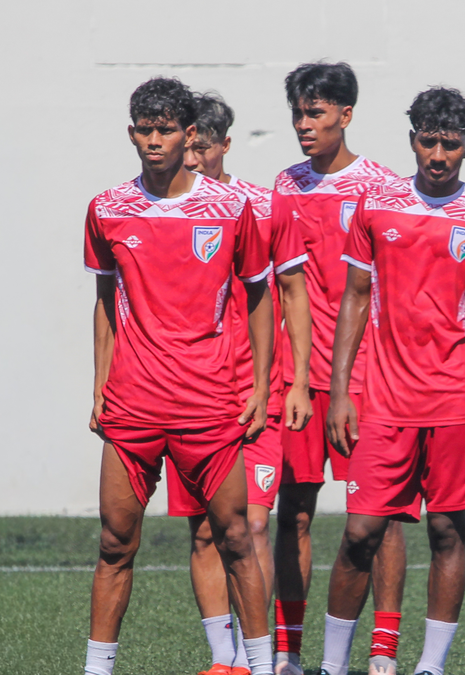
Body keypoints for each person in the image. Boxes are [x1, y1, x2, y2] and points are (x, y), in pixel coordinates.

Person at [81, 77, 287, 675]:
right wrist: (99, 385)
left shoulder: (231, 208)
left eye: (165, 129)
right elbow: (103, 299)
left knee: (237, 540)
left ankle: (258, 664)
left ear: (189, 134)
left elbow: (258, 295)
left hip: (209, 406)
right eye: (143, 130)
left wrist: (259, 385)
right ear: (130, 133)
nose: (153, 140)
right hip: (133, 406)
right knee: (115, 544)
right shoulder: (107, 208)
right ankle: (97, 669)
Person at [321, 86, 465, 675]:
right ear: (412, 140)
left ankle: (430, 667)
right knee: (360, 532)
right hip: (382, 399)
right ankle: (333, 666)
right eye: (428, 141)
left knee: (445, 530)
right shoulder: (377, 206)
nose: (438, 154)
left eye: (450, 144)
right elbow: (355, 299)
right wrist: (339, 393)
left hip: (458, 399)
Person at [161, 91, 314, 675]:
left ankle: (267, 655)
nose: (193, 158)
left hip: (260, 393)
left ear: (222, 143)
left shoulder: (265, 206)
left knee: (252, 524)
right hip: (194, 392)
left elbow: (294, 292)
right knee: (204, 533)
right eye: (187, 147)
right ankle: (226, 662)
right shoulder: (159, 208)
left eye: (202, 146)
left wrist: (298, 379)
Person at [270, 61, 407, 675]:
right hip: (302, 379)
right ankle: (289, 652)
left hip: (369, 381)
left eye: (316, 113)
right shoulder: (284, 185)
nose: (304, 125)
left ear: (345, 115)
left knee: (377, 518)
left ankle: (381, 653)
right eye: (299, 113)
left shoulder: (382, 187)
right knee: (294, 511)